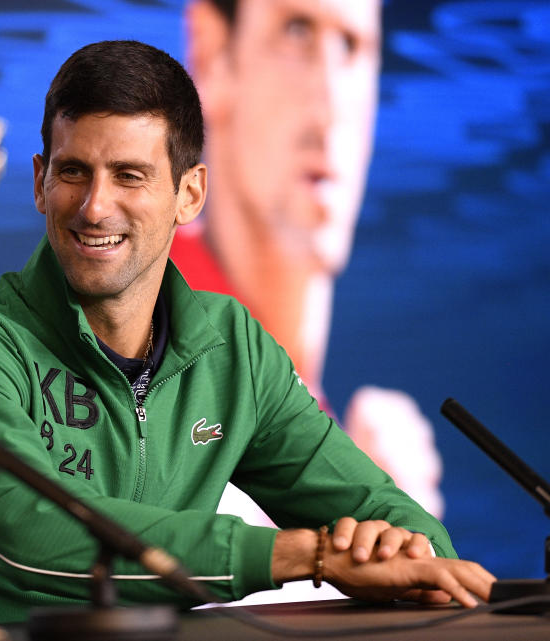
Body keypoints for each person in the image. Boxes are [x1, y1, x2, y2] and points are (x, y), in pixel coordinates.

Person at [0, 40, 493, 624]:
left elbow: (396, 523)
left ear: (190, 193)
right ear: (40, 182)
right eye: (74, 171)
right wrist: (303, 557)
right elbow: (22, 535)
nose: (95, 207)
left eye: (129, 175)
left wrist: (406, 554)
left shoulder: (232, 347)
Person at [176, 0, 443, 517]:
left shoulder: (304, 406)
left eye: (352, 46)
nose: (331, 103)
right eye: (296, 31)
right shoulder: (148, 342)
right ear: (211, 56)